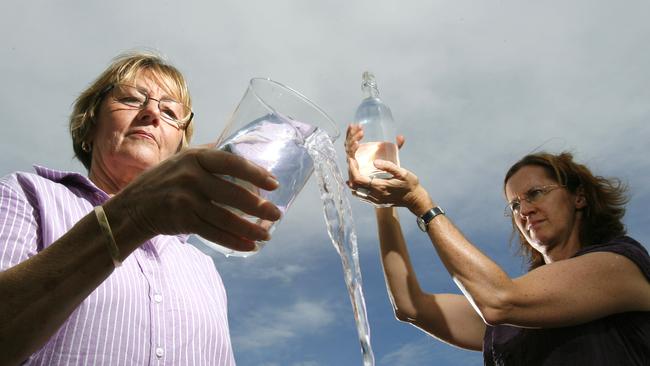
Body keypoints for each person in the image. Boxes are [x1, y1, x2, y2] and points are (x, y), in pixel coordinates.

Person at [0, 51, 283, 366]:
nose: (152, 113)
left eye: (170, 111)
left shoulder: (202, 266)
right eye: (132, 100)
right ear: (90, 123)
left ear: (179, 146)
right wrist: (130, 217)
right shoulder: (28, 195)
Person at [345, 124, 650, 365]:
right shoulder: (512, 323)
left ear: (579, 197)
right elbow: (411, 307)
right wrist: (383, 201)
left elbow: (499, 300)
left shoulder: (619, 265)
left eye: (536, 193)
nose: (524, 210)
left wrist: (420, 203)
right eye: (514, 205)